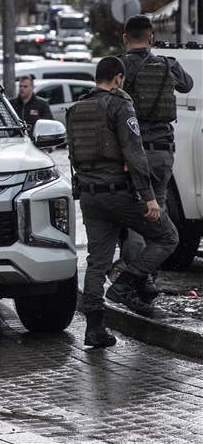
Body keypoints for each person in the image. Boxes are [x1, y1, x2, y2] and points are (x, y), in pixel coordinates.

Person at [65, 56, 178, 348]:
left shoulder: (76, 108)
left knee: (97, 262)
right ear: (118, 78)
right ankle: (126, 285)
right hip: (120, 194)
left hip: (90, 195)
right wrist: (149, 197)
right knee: (168, 237)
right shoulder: (120, 104)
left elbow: (73, 155)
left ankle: (94, 328)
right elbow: (134, 153)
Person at [117, 14, 195, 301]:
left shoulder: (120, 66)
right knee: (156, 215)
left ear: (125, 39)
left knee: (135, 219)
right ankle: (146, 278)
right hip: (162, 153)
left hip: (130, 155)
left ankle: (139, 279)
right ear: (151, 38)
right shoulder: (167, 64)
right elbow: (187, 85)